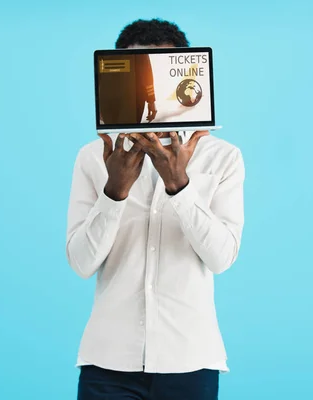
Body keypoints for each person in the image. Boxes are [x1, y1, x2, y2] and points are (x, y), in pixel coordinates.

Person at [66, 18, 245, 400]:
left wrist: (179, 186)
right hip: (107, 362)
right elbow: (81, 263)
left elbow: (221, 257)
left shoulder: (223, 158)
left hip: (190, 359)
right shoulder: (94, 157)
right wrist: (114, 192)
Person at [98, 53, 157, 124]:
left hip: (106, 95)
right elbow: (145, 69)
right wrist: (151, 100)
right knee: (130, 132)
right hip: (132, 99)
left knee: (112, 131)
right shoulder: (134, 43)